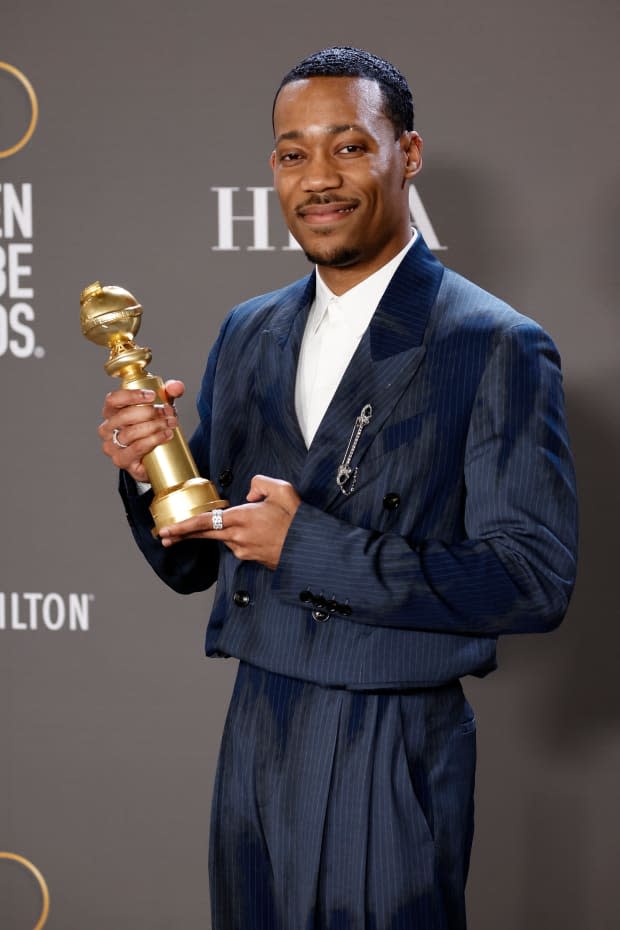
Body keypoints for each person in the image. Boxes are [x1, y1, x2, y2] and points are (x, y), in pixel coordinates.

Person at [98, 47, 578, 930]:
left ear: (409, 154)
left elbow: (534, 579)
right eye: (292, 154)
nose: (318, 178)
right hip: (258, 726)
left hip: (392, 738)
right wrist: (148, 472)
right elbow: (194, 563)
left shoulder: (493, 342)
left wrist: (309, 546)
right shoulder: (250, 331)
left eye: (350, 147)